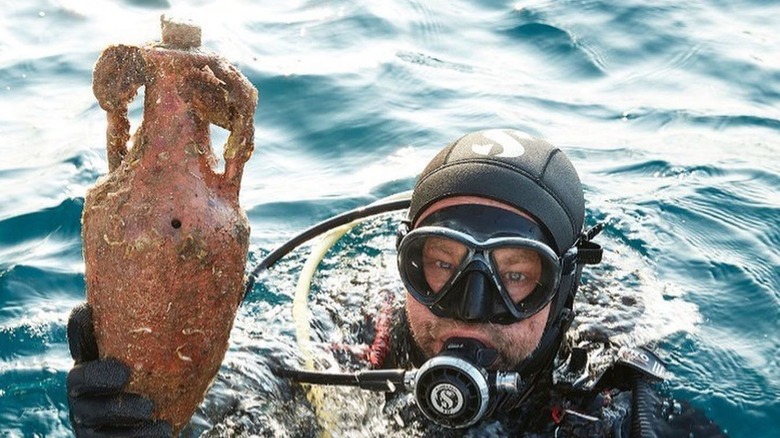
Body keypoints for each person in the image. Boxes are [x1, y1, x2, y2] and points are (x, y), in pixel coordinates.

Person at [66, 129, 726, 437]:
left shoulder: (616, 406)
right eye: (440, 264)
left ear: (565, 288)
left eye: (516, 275)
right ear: (404, 265)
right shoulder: (339, 349)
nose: (471, 310)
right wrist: (152, 402)